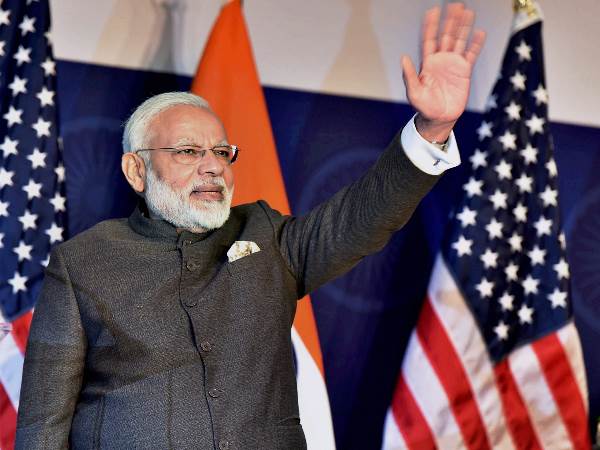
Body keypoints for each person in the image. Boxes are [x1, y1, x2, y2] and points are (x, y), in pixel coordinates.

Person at [15, 3, 485, 449]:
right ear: (136, 170)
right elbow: (43, 425)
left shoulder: (265, 235)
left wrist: (431, 130)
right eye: (188, 152)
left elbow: (361, 216)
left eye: (221, 152)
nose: (212, 166)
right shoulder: (83, 263)